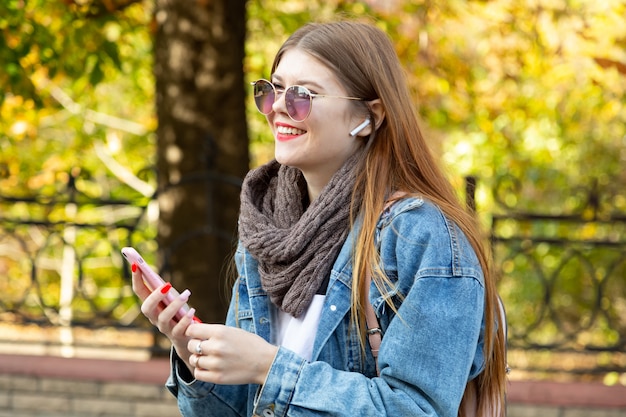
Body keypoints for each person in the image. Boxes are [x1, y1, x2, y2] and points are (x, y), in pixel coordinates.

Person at [132, 20, 507, 417]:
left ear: (368, 116)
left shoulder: (419, 235)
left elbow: (416, 408)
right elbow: (243, 409)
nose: (277, 106)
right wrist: (192, 354)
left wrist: (267, 365)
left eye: (301, 95)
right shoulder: (267, 230)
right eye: (271, 89)